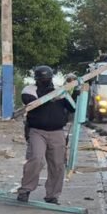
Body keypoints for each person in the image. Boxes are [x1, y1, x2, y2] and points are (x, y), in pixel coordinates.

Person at [19, 66, 73, 204]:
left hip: (57, 132)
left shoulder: (60, 91)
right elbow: (32, 103)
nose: (45, 81)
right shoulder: (29, 90)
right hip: (37, 131)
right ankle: (25, 190)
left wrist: (68, 93)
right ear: (36, 79)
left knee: (57, 164)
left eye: (47, 79)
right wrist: (52, 96)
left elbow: (72, 107)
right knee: (36, 158)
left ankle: (52, 195)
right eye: (42, 79)